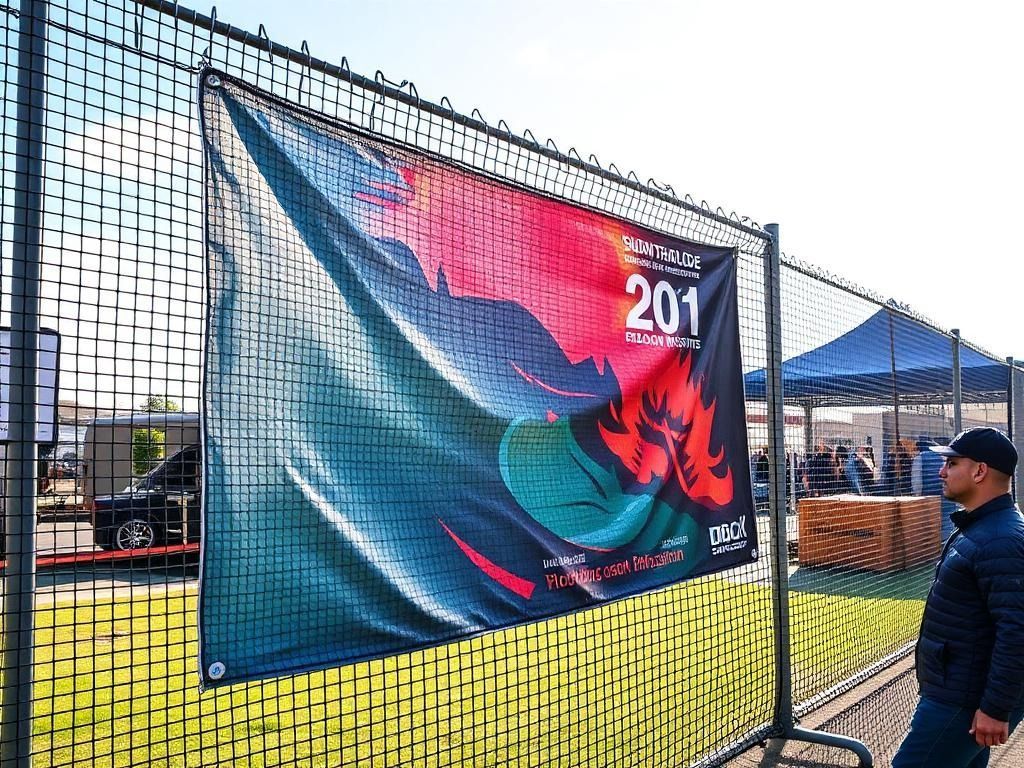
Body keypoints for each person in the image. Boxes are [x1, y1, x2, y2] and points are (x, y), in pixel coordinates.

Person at [892, 427, 1024, 768]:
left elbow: (1018, 632)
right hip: (960, 692)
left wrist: (995, 708)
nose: (941, 471)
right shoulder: (981, 528)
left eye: (951, 463)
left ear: (979, 471)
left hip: (962, 700)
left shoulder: (1001, 539)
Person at [912, 435, 958, 539]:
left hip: (928, 497)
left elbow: (917, 481)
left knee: (930, 522)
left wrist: (917, 496)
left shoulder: (920, 458)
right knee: (947, 521)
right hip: (945, 495)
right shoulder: (944, 456)